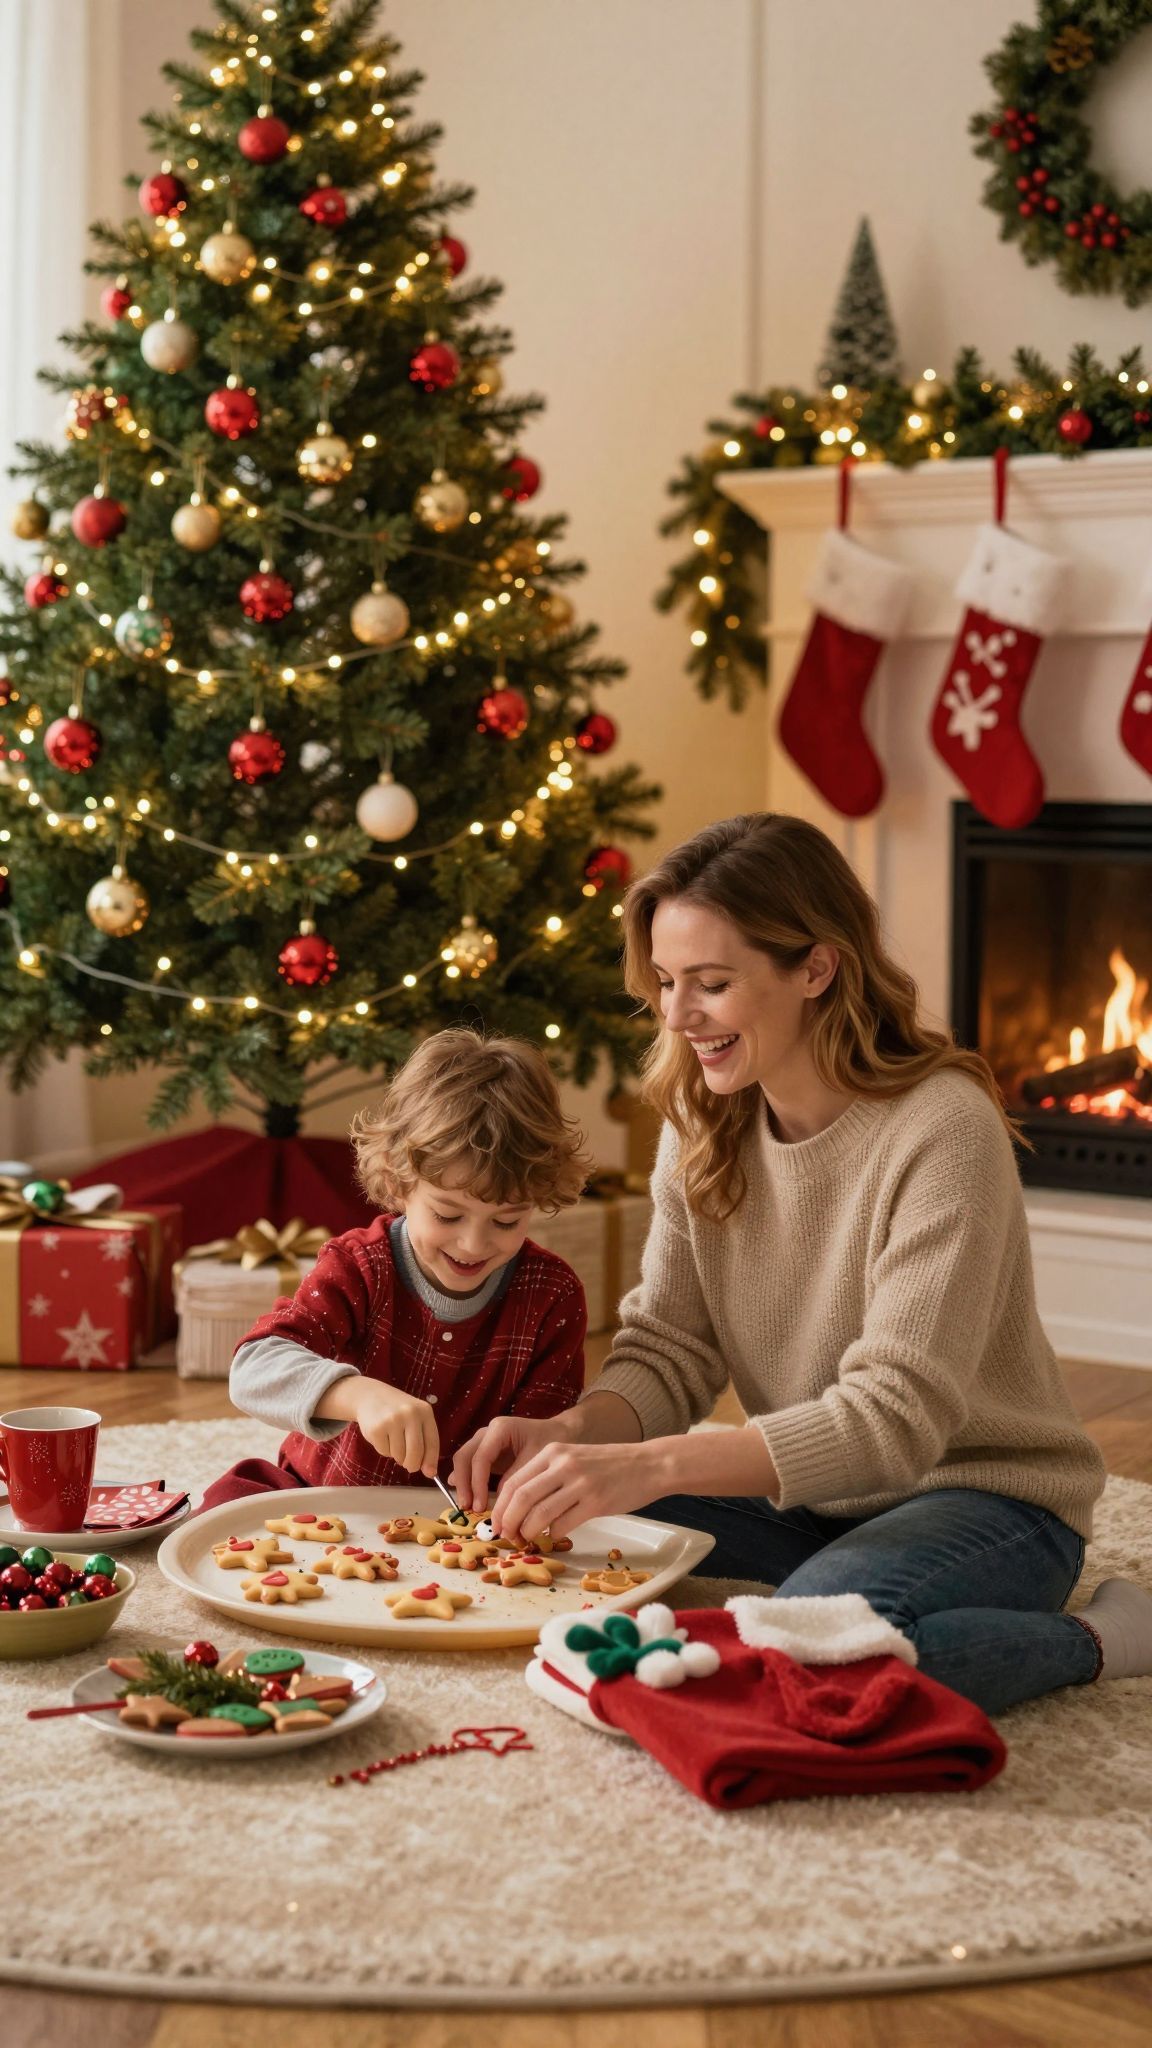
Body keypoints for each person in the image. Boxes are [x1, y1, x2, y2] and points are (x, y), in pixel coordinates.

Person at [452, 813, 1152, 1717]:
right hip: (813, 1499)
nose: (675, 1015)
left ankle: (1102, 1640)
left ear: (816, 968)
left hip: (988, 1498)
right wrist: (576, 1434)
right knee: (532, 1515)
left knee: (813, 1660)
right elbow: (669, 1351)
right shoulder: (703, 1116)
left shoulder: (941, 1127)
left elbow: (894, 1420)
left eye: (711, 984)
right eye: (666, 983)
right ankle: (822, 1586)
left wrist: (651, 1468)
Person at [200, 1028, 590, 1509]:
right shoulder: (360, 1266)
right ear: (400, 1182)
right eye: (447, 1215)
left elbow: (547, 1440)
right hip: (325, 1500)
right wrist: (357, 1395)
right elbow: (253, 1369)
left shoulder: (552, 1294)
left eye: (507, 1221)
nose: (474, 1243)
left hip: (466, 1519)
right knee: (226, 1505)